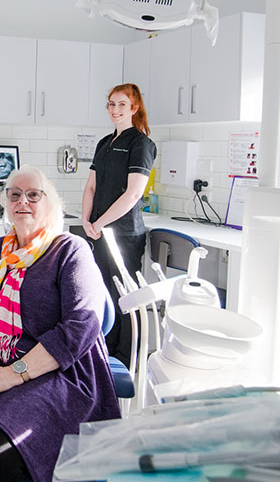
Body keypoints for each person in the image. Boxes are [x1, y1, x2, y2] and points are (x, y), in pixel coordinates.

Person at [0, 165, 121, 482]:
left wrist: (13, 375)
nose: (22, 201)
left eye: (33, 195)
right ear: (6, 203)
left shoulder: (70, 250)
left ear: (50, 204)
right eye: (14, 194)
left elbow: (81, 325)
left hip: (52, 370)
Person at [81, 83, 156, 367]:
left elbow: (133, 193)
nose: (115, 109)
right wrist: (86, 220)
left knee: (126, 296)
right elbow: (91, 186)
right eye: (111, 104)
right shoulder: (104, 143)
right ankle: (104, 350)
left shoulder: (141, 144)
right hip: (98, 231)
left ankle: (127, 357)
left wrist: (99, 221)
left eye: (122, 104)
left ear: (134, 108)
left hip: (124, 233)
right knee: (103, 291)